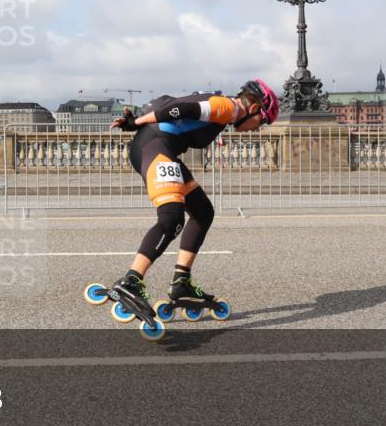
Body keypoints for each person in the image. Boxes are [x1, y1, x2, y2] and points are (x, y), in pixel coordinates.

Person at [103, 79, 280, 321]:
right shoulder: (228, 108)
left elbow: (177, 107)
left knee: (202, 212)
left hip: (161, 149)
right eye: (262, 121)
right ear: (254, 109)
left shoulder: (226, 110)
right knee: (171, 219)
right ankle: (131, 281)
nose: (258, 128)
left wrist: (138, 121)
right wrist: (137, 122)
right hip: (156, 149)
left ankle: (181, 282)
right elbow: (180, 109)